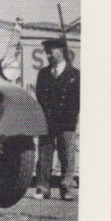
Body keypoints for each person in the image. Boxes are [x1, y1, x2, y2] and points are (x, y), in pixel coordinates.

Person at [34, 38, 80, 200]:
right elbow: (40, 95)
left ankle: (66, 188)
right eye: (47, 52)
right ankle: (42, 187)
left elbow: (77, 99)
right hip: (48, 120)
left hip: (66, 121)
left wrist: (70, 117)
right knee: (44, 155)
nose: (48, 55)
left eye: (51, 51)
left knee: (67, 156)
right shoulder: (44, 73)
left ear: (61, 51)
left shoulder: (75, 74)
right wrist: (45, 114)